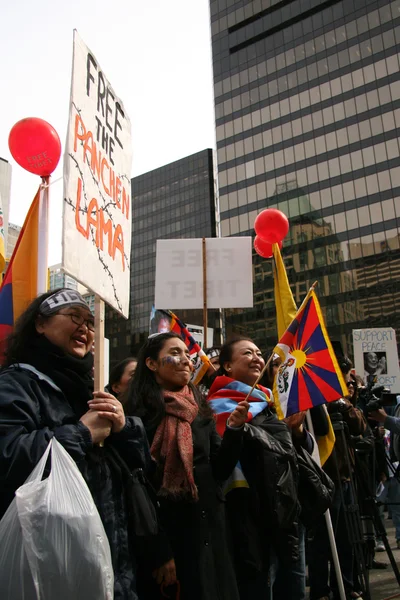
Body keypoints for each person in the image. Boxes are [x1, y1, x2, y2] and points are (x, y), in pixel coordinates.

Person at [0, 288, 158, 599]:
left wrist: (124, 427)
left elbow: (144, 467)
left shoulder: (94, 390)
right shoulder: (15, 385)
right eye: (74, 317)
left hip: (114, 564)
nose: (85, 328)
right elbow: (8, 456)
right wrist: (81, 434)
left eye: (90, 322)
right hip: (53, 564)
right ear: (40, 324)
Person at [125, 332, 247, 600]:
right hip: (170, 540)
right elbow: (136, 489)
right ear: (151, 364)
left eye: (187, 355)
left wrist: (235, 430)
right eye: (175, 353)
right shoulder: (136, 416)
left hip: (211, 532)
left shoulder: (200, 408)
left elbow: (220, 470)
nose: (185, 360)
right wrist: (159, 550)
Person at [208, 336, 300, 600]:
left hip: (278, 509)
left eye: (259, 353)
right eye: (247, 353)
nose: (258, 358)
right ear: (227, 366)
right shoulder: (216, 406)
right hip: (244, 512)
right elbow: (222, 463)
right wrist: (237, 430)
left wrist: (298, 431)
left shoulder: (269, 402)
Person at [308, 363, 367, 600]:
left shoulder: (342, 402)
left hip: (345, 475)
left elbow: (359, 426)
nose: (347, 386)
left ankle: (346, 585)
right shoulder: (313, 400)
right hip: (324, 475)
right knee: (323, 539)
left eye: (349, 383)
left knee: (346, 537)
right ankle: (321, 590)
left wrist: (343, 402)